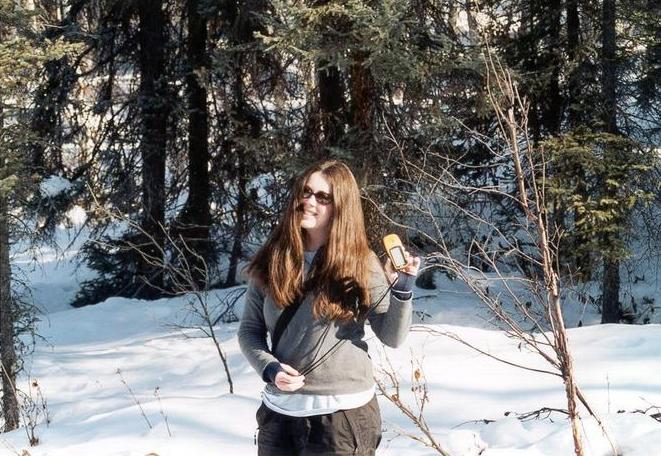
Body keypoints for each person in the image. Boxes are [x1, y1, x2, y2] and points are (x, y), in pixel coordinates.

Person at [238, 160, 420, 456]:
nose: (309, 201)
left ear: (340, 207)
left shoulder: (361, 262)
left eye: (322, 197)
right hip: (279, 416)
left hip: (341, 417)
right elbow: (249, 331)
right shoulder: (273, 258)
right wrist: (269, 368)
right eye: (306, 192)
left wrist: (402, 289)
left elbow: (392, 336)